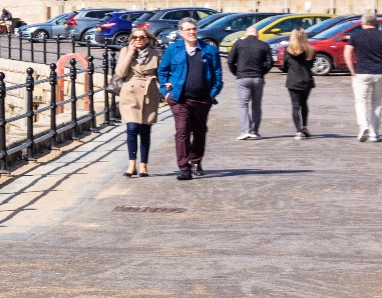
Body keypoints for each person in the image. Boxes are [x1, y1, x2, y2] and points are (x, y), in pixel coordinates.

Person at [156, 16, 223, 180]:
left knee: (200, 132)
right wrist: (166, 92)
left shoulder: (209, 50)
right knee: (182, 132)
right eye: (188, 30)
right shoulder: (173, 50)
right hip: (180, 99)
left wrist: (211, 94)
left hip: (202, 99)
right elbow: (162, 71)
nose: (192, 32)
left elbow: (217, 75)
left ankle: (196, 160)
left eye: (194, 29)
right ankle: (184, 168)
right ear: (181, 32)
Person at [115, 23, 164, 177]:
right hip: (130, 93)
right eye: (135, 37)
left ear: (148, 40)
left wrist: (165, 89)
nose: (138, 40)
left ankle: (143, 166)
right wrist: (130, 54)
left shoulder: (156, 54)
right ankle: (131, 165)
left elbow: (162, 73)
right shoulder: (125, 51)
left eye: (141, 37)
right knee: (131, 129)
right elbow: (120, 73)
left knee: (145, 131)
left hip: (149, 94)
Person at [341, 12, 382, 141]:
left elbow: (347, 54)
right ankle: (374, 133)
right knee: (377, 102)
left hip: (361, 72)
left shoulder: (356, 36)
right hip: (380, 71)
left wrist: (352, 70)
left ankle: (363, 125)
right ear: (376, 23)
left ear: (363, 23)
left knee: (360, 101)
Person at [227, 24, 273, 140]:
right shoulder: (264, 45)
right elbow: (270, 63)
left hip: (242, 78)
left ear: (245, 34)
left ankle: (245, 130)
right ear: (257, 34)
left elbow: (230, 60)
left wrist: (236, 72)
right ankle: (254, 131)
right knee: (256, 105)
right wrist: (262, 72)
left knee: (243, 104)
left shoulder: (238, 44)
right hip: (258, 78)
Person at [279, 27, 319, 138]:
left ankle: (298, 130)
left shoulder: (288, 50)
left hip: (293, 80)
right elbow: (311, 65)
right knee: (304, 103)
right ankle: (305, 126)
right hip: (307, 80)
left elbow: (284, 66)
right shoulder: (311, 51)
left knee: (295, 106)